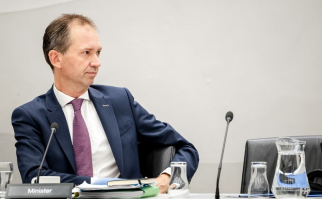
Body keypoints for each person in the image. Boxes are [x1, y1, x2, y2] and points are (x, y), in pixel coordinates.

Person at [11, 14, 199, 193]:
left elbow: (185, 147)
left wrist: (167, 177)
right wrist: (106, 186)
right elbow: (34, 177)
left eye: (98, 52)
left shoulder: (120, 100)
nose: (97, 62)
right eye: (86, 53)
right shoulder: (30, 116)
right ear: (56, 58)